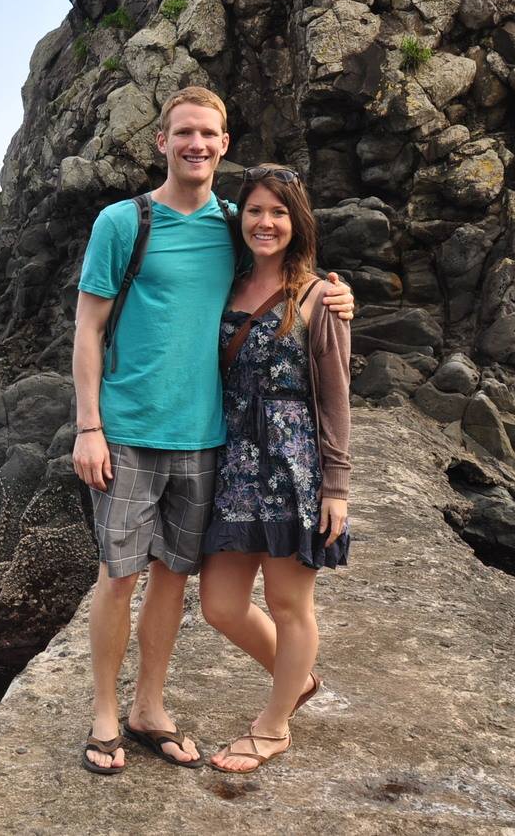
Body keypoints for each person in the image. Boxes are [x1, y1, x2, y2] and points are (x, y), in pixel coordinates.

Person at [72, 88, 354, 774]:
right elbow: (87, 324)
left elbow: (283, 265)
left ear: (225, 144)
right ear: (162, 141)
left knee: (172, 579)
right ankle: (106, 716)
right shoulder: (122, 222)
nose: (196, 144)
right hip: (131, 431)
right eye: (184, 133)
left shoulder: (232, 226)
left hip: (206, 441)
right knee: (118, 578)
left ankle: (151, 709)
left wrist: (337, 296)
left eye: (209, 134)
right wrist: (88, 425)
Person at [198, 162, 352, 774]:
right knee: (220, 605)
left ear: (298, 222)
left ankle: (274, 724)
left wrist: (336, 489)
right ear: (241, 220)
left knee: (290, 604)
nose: (266, 223)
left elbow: (336, 399)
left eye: (279, 212)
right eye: (256, 211)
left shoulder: (321, 296)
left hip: (293, 465)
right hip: (232, 462)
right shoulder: (225, 285)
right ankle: (298, 680)